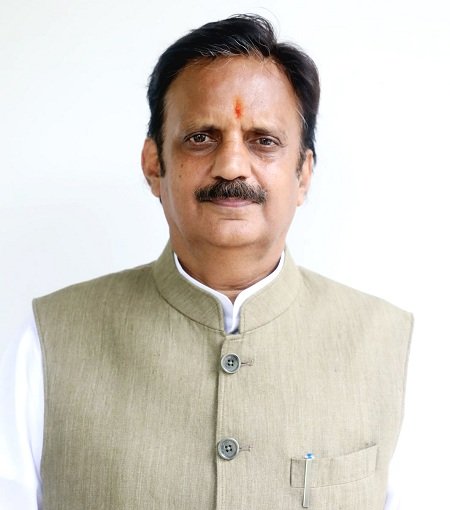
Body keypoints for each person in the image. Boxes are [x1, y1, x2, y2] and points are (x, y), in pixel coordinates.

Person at [0, 14, 412, 510]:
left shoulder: (391, 348)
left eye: (263, 140)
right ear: (154, 164)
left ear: (303, 174)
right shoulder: (45, 344)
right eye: (201, 138)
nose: (232, 165)